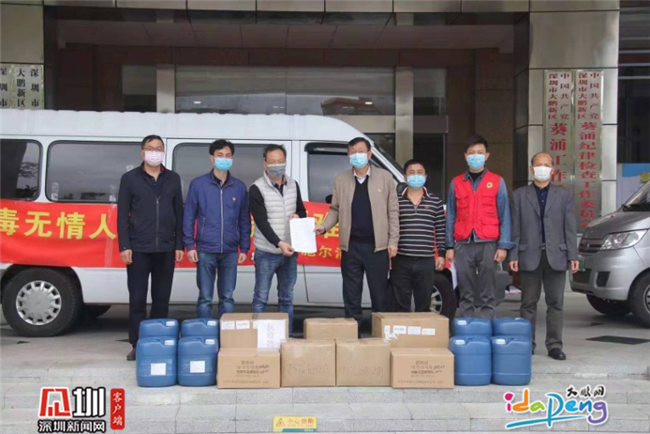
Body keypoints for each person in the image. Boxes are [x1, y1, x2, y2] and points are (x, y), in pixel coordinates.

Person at [316, 137, 399, 324]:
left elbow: (393, 211)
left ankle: (380, 333)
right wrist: (324, 226)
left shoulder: (385, 178)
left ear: (369, 154)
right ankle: (353, 335)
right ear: (348, 155)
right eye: (353, 152)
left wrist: (393, 241)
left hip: (377, 247)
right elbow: (335, 209)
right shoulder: (341, 180)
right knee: (351, 295)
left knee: (379, 295)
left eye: (360, 151)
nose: (357, 155)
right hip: (351, 246)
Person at [117, 135, 184, 361]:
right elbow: (122, 215)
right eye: (150, 148)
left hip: (165, 248)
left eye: (158, 148)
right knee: (137, 299)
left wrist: (179, 244)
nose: (154, 152)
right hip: (138, 248)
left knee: (161, 300)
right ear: (142, 152)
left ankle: (158, 342)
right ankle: (137, 344)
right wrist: (124, 245)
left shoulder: (173, 178)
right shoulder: (130, 179)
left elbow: (179, 213)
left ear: (163, 152)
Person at [509, 152, 578, 361]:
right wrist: (513, 254)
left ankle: (554, 345)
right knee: (528, 303)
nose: (542, 168)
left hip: (556, 255)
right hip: (529, 254)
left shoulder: (564, 195)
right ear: (531, 169)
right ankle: (527, 344)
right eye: (538, 165)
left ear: (552, 170)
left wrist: (573, 255)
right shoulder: (519, 195)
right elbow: (515, 229)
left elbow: (570, 228)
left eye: (546, 165)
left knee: (555, 303)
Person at [445, 135, 514, 320]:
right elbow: (451, 215)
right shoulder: (456, 183)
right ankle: (467, 324)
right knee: (465, 288)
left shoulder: (497, 181)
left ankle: (486, 324)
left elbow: (504, 214)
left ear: (487, 155)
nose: (475, 156)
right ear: (465, 156)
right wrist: (449, 245)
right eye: (472, 153)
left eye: (480, 153)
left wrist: (503, 245)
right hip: (463, 242)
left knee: (488, 289)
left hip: (488, 242)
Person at [183, 139, 251, 320]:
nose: (224, 159)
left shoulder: (239, 187)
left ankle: (225, 332)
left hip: (230, 250)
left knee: (227, 297)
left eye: (228, 155)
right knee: (205, 298)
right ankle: (205, 332)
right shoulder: (198, 185)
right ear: (212, 158)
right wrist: (189, 245)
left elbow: (244, 220)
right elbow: (189, 216)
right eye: (220, 155)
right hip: (205, 249)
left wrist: (244, 248)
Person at [249, 144, 306, 335]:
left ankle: (286, 337)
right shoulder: (257, 188)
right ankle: (258, 338)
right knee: (261, 298)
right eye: (272, 161)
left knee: (287, 298)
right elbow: (261, 223)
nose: (276, 165)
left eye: (280, 161)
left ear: (286, 161)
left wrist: (298, 216)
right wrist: (279, 243)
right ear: (265, 163)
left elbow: (302, 210)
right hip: (267, 252)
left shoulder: (293, 185)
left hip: (289, 252)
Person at [390, 159, 446, 312]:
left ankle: (421, 328)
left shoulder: (435, 201)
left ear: (425, 176)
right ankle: (402, 328)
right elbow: (391, 227)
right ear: (405, 177)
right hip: (401, 260)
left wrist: (441, 255)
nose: (416, 176)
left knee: (423, 304)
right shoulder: (395, 201)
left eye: (419, 172)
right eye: (411, 172)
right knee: (401, 304)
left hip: (426, 261)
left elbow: (440, 229)